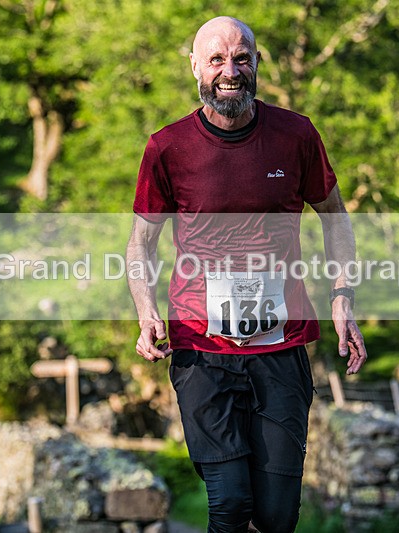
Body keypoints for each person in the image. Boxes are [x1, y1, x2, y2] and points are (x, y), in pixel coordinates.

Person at [126, 16, 367, 532]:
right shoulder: (167, 148)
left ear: (257, 63)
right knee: (230, 504)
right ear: (195, 66)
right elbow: (139, 245)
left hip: (280, 349)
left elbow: (335, 216)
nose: (229, 71)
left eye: (241, 58)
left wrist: (342, 297)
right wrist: (146, 311)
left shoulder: (295, 134)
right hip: (201, 348)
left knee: (277, 517)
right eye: (216, 59)